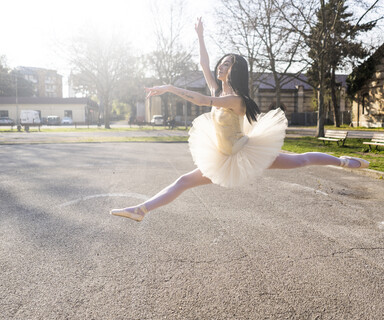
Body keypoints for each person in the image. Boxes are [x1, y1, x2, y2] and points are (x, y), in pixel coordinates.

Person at [110, 18, 369, 222]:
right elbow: (204, 63)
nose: (221, 67)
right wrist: (200, 37)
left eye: (227, 65)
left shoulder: (236, 99)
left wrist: (170, 87)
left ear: (236, 71)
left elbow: (200, 102)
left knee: (301, 160)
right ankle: (141, 210)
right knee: (183, 182)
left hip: (245, 152)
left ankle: (343, 161)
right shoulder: (218, 90)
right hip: (222, 156)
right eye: (221, 63)